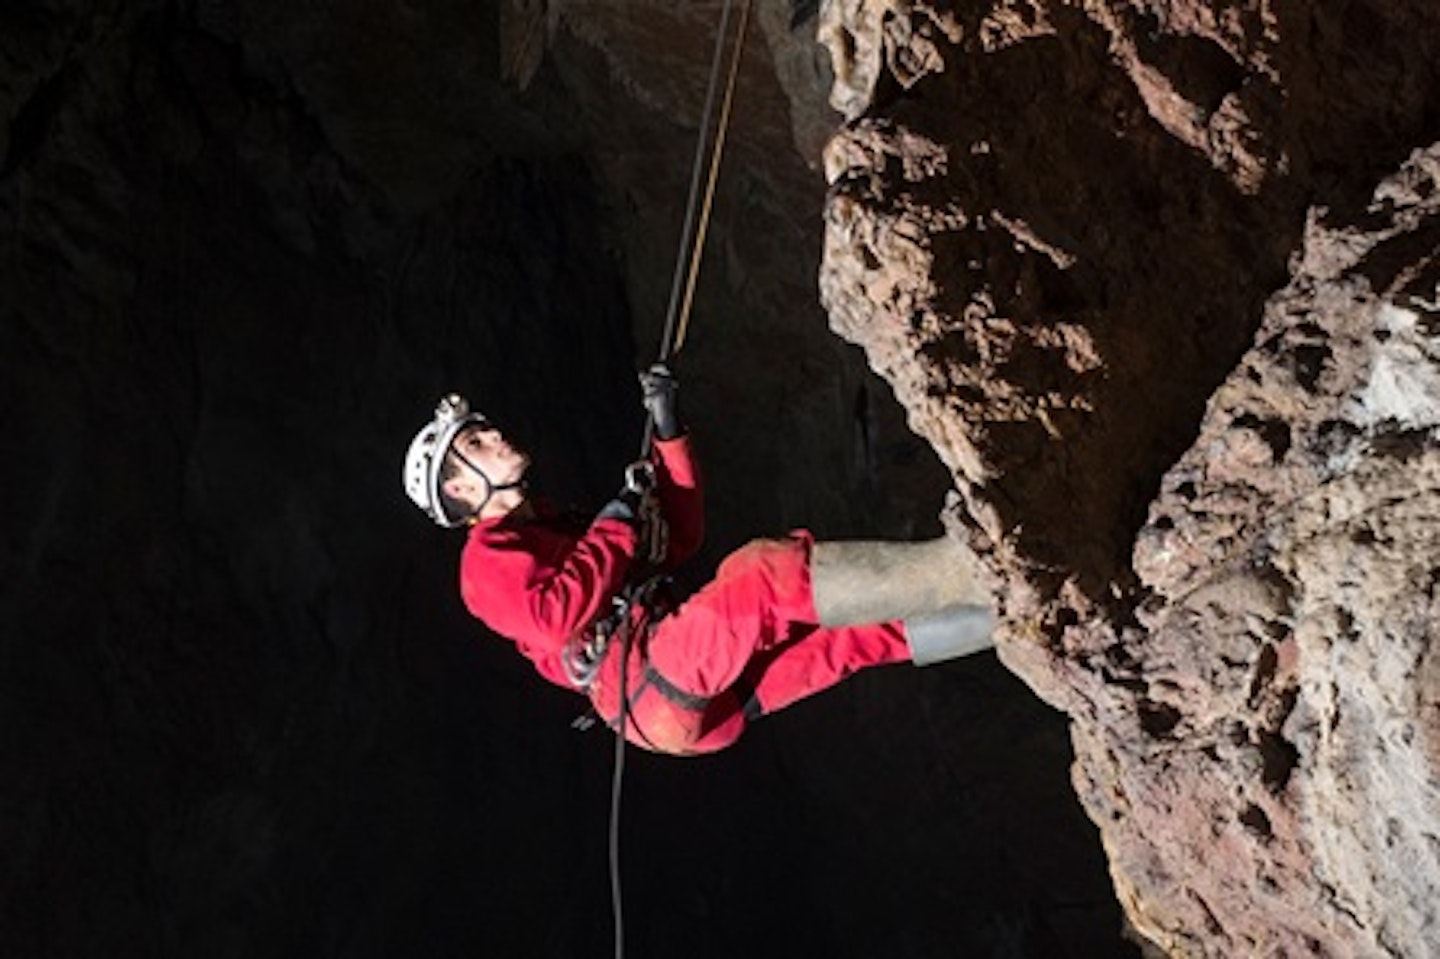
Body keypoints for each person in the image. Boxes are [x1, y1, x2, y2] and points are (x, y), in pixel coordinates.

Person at [402, 367, 995, 756]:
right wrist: (614, 522)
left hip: (672, 700)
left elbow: (678, 539)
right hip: (646, 683)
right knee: (763, 576)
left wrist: (668, 436)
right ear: (460, 492)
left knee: (852, 639)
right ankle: (961, 570)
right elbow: (552, 618)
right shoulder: (484, 560)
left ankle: (1006, 618)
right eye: (475, 444)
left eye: (483, 430)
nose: (495, 435)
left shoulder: (557, 526)